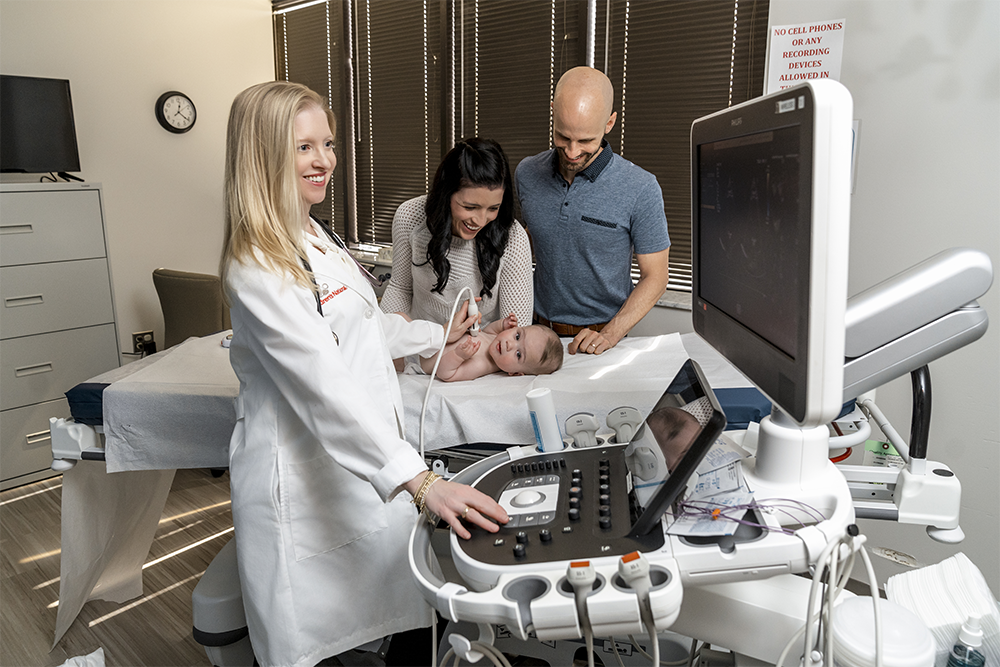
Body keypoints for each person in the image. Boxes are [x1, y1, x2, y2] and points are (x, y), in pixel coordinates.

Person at [220, 81, 507, 667]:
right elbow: (322, 384)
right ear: (264, 153)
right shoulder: (257, 262)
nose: (324, 160)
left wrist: (438, 336)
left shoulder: (314, 235)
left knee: (385, 617)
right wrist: (420, 481)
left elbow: (364, 328)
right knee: (317, 644)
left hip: (352, 476)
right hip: (300, 488)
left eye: (327, 143)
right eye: (303, 147)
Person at [515, 66, 671, 357]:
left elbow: (656, 276)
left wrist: (611, 334)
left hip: (602, 339)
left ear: (610, 122)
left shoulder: (641, 187)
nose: (572, 151)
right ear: (552, 112)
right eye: (563, 137)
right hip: (535, 333)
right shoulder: (527, 173)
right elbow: (531, 240)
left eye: (585, 140)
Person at [380, 137, 533, 329]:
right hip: (420, 345)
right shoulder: (410, 216)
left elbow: (518, 329)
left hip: (481, 351)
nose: (480, 220)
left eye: (493, 208)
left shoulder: (513, 237)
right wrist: (390, 340)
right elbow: (400, 289)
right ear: (446, 193)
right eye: (470, 207)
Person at [420, 313, 564, 381]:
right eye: (517, 336)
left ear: (515, 373)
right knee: (400, 319)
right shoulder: (495, 340)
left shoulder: (481, 364)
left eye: (519, 354)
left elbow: (445, 374)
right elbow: (489, 331)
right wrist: (502, 324)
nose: (510, 344)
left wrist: (458, 356)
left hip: (421, 359)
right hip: (426, 337)